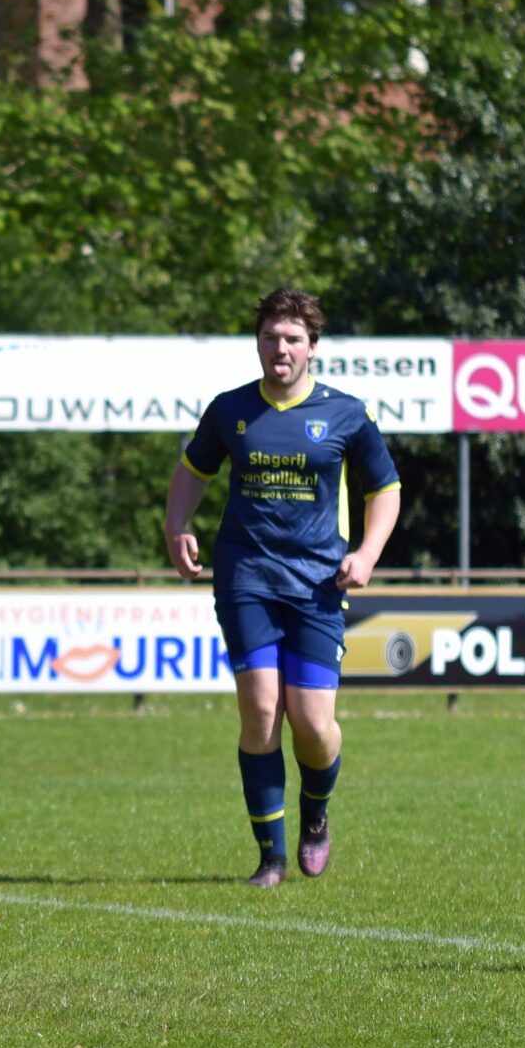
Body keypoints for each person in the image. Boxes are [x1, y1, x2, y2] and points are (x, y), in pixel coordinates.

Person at [164, 287, 401, 887]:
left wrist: (367, 553)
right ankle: (269, 858)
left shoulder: (347, 414)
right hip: (246, 577)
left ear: (313, 347)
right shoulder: (230, 410)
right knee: (263, 710)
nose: (280, 348)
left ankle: (315, 814)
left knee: (314, 724)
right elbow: (193, 472)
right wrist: (176, 526)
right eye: (270, 336)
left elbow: (385, 490)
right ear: (258, 344)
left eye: (293, 338)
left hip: (319, 584)